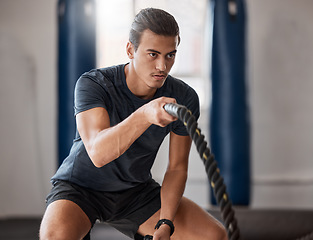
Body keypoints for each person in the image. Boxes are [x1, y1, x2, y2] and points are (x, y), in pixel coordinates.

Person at [39, 7, 227, 240]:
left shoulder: (184, 97)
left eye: (170, 55)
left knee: (214, 235)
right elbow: (99, 153)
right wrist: (144, 114)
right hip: (81, 188)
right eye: (153, 54)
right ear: (130, 49)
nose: (162, 66)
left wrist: (165, 222)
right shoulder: (94, 84)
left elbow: (177, 167)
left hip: (135, 192)